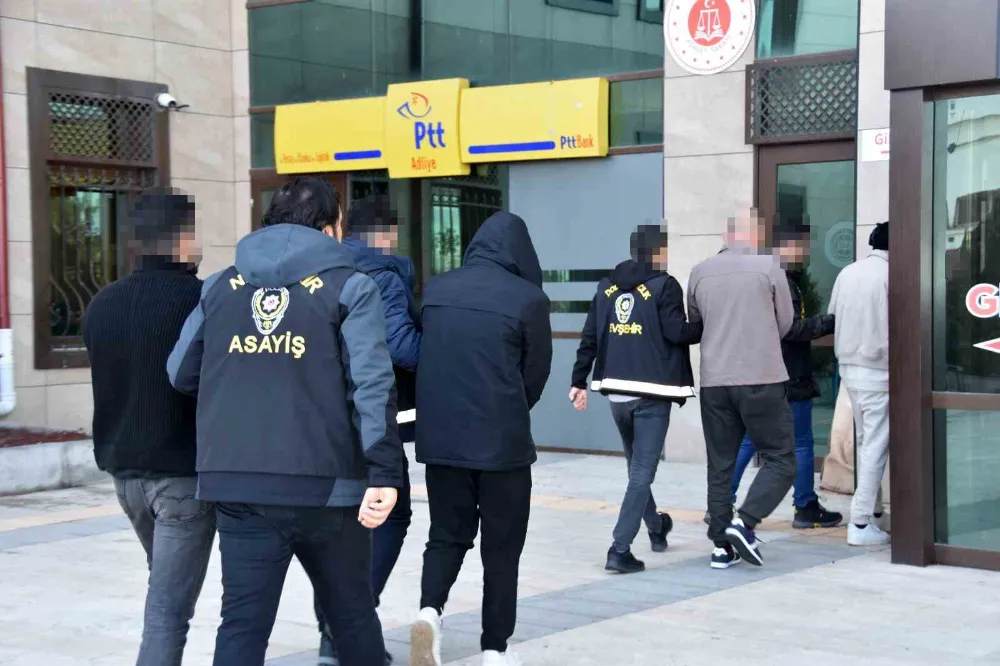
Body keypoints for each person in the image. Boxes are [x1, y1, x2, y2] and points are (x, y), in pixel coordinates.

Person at [167, 176, 404, 666]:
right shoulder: (349, 286)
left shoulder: (220, 286)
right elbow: (372, 385)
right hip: (330, 488)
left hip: (238, 483)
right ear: (331, 227)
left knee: (242, 625)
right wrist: (384, 472)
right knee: (352, 617)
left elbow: (181, 372)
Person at [410, 212, 552, 666]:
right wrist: (509, 407)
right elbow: (535, 376)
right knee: (501, 548)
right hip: (501, 445)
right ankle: (494, 648)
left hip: (442, 441)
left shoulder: (437, 291)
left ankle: (429, 613)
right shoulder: (528, 299)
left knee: (446, 534)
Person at [82, 188, 215, 666]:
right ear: (181, 239)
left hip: (126, 479)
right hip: (181, 477)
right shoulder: (200, 301)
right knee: (167, 613)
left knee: (163, 594)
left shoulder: (102, 304)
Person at [315, 195, 420, 666]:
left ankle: (332, 634)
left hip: (324, 420)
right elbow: (402, 348)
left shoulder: (322, 273)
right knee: (393, 515)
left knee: (338, 528)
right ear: (386, 234)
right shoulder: (384, 276)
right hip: (374, 418)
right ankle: (348, 623)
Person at [569, 224, 700, 574]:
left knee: (636, 469)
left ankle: (656, 526)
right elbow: (677, 332)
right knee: (642, 471)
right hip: (651, 395)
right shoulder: (664, 285)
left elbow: (590, 335)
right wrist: (705, 323)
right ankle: (619, 548)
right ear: (659, 251)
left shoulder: (607, 288)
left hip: (617, 395)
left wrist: (578, 380)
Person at [687, 208, 796, 569]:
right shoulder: (769, 267)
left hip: (715, 381)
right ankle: (744, 523)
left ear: (726, 235)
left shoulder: (699, 272)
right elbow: (785, 322)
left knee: (720, 464)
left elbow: (696, 321)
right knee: (781, 459)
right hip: (761, 376)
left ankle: (721, 547)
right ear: (756, 234)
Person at [726, 225, 841, 529]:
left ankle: (721, 502)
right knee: (801, 443)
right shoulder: (781, 281)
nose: (805, 253)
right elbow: (790, 328)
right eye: (802, 247)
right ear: (786, 247)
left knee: (750, 439)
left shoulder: (759, 278)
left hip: (760, 373)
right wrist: (829, 322)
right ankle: (805, 506)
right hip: (788, 376)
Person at [829, 221, 890, 547]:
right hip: (879, 371)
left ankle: (875, 512)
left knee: (866, 441)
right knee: (875, 445)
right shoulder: (892, 274)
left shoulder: (847, 273)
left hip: (849, 369)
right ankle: (861, 521)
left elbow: (833, 316)